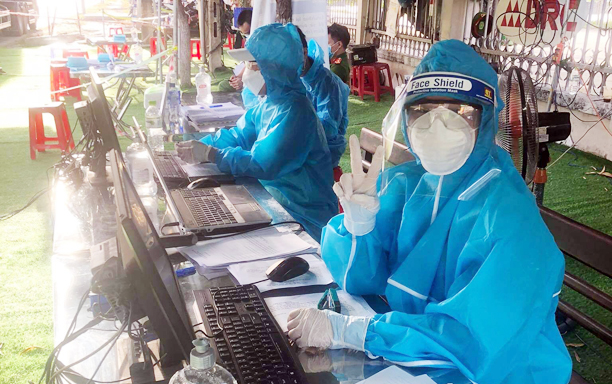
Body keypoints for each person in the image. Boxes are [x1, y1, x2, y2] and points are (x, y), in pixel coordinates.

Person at [285, 40, 571, 384]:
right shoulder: (404, 185)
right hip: (412, 358)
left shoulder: (511, 221)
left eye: (459, 112)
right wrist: (358, 228)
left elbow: (472, 341)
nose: (436, 126)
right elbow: (359, 280)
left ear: (488, 119)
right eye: (422, 110)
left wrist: (357, 333)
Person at [176, 23, 338, 242]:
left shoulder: (295, 112)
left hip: (303, 218)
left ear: (273, 67)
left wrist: (211, 155)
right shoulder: (271, 103)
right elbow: (239, 136)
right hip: (275, 203)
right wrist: (199, 147)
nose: (246, 72)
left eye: (252, 64)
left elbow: (263, 164)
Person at [297, 28, 349, 174]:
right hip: (301, 157)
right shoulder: (295, 78)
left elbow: (327, 129)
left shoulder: (326, 82)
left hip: (322, 162)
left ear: (304, 53)